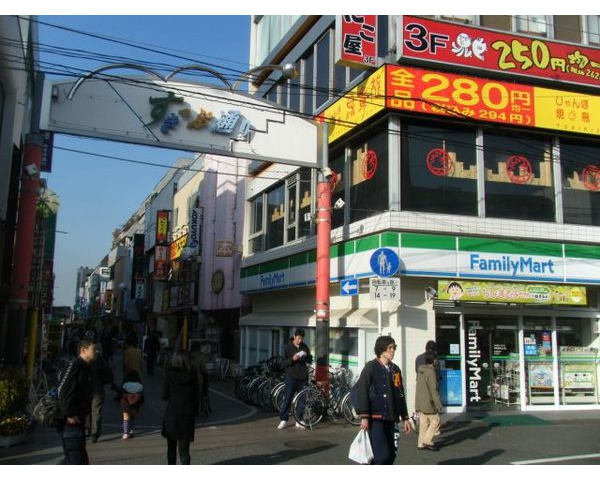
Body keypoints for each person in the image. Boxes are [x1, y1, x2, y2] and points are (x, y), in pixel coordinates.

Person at [355, 335, 411, 465]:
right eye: (390, 348)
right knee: (382, 455)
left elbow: (400, 393)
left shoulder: (395, 369)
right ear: (382, 350)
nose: (393, 351)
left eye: (394, 348)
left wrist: (405, 417)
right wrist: (364, 416)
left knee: (391, 455)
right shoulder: (371, 367)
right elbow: (362, 390)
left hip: (392, 419)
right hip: (376, 419)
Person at [57, 339, 96, 464]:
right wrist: (69, 414)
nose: (96, 352)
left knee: (77, 459)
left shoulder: (86, 367)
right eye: (93, 349)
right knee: (76, 460)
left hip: (79, 418)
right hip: (71, 421)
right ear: (83, 350)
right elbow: (63, 390)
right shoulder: (75, 364)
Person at [161, 349, 200, 465]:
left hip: (172, 415)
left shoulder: (169, 375)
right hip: (187, 417)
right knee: (184, 451)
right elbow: (197, 397)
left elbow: (163, 396)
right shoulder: (193, 376)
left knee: (171, 449)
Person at [277, 328, 312, 430]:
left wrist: (307, 356)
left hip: (303, 376)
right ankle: (283, 419)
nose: (300, 340)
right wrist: (292, 359)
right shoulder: (287, 347)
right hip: (291, 376)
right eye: (298, 338)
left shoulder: (305, 347)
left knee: (303, 398)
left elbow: (310, 360)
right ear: (294, 336)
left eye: (302, 339)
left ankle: (299, 419)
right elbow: (282, 363)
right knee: (287, 397)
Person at [415, 353, 443, 451]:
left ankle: (420, 444)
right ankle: (426, 441)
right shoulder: (431, 372)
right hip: (429, 402)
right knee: (436, 420)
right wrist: (438, 404)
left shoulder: (420, 370)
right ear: (433, 361)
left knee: (423, 423)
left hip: (420, 401)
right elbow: (433, 390)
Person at [85, 348, 113, 443]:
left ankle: (87, 429)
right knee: (96, 411)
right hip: (98, 389)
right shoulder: (100, 360)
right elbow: (108, 372)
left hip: (87, 389)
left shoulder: (84, 361)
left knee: (87, 410)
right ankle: (95, 433)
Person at [119, 370, 144, 439]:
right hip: (136, 403)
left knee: (126, 418)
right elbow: (142, 395)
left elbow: (120, 393)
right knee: (133, 417)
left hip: (125, 402)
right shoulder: (140, 385)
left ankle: (125, 433)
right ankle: (131, 431)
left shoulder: (125, 384)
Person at [190, 343, 211, 416]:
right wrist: (206, 374)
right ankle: (198, 410)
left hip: (189, 378)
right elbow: (203, 368)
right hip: (198, 379)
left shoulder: (188, 356)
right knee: (199, 394)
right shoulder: (200, 357)